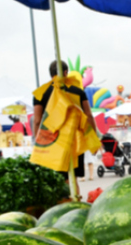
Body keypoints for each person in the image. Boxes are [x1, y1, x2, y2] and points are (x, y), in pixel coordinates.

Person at [33, 60, 98, 196]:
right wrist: (94, 138)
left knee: (54, 180)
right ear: (65, 73)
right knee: (72, 179)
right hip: (75, 141)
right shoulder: (77, 91)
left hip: (51, 142)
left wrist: (37, 143)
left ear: (50, 74)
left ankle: (58, 208)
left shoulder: (41, 92)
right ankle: (75, 204)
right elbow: (89, 115)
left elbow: (37, 121)